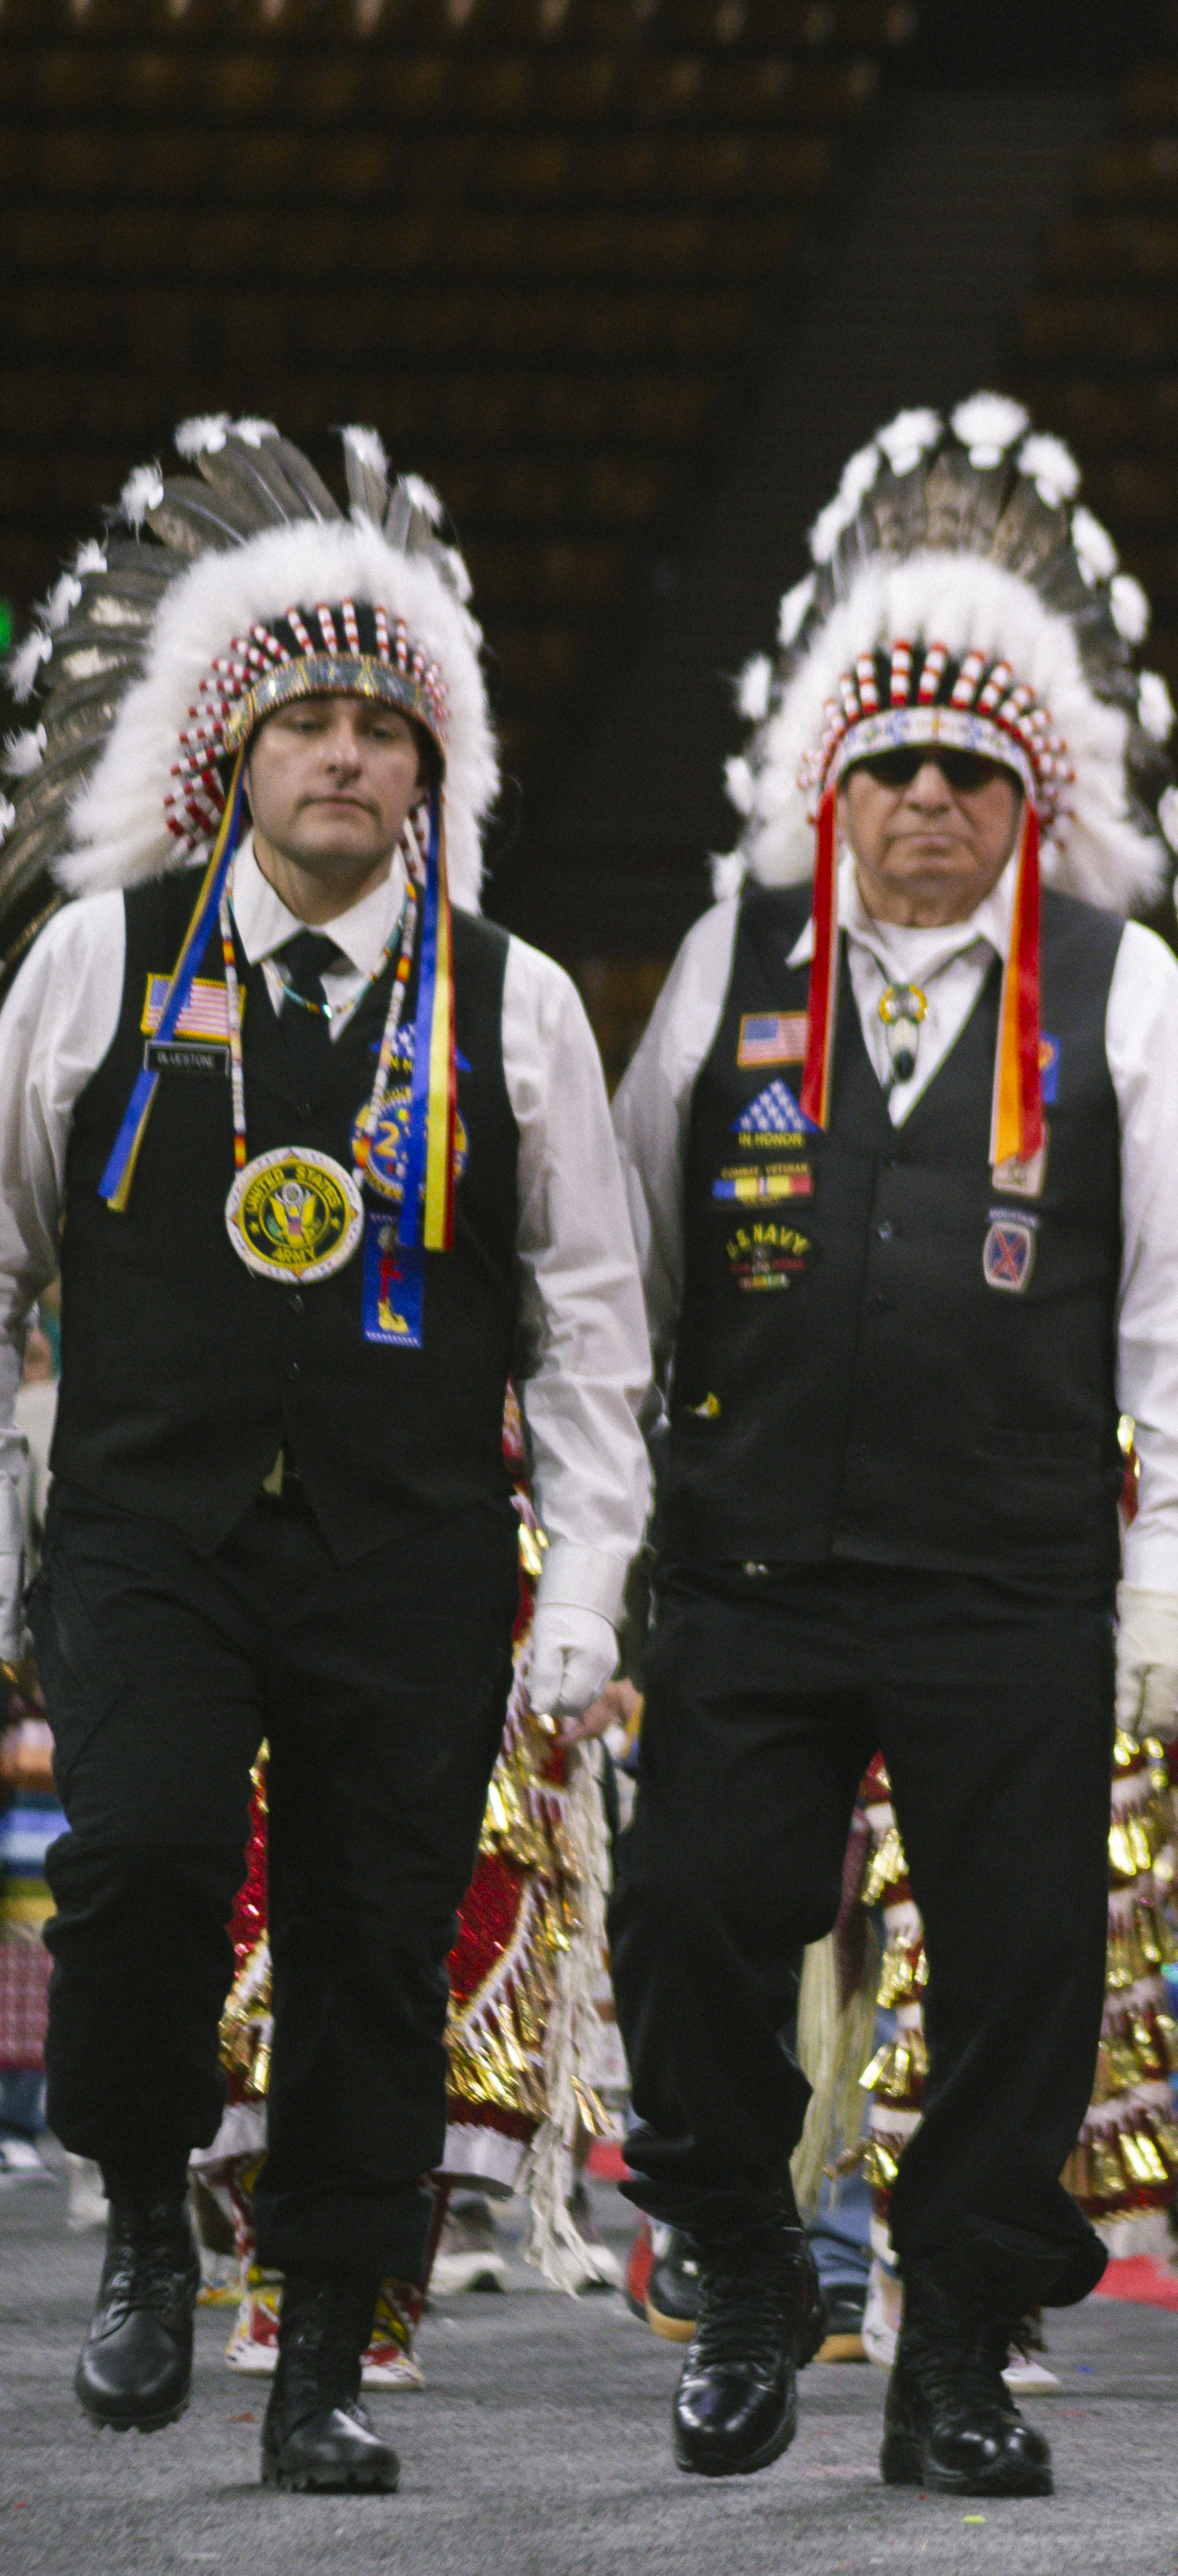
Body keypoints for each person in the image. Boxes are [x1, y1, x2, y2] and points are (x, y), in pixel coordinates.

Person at [607, 395, 1178, 2497]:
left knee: (1018, 1980)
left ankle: (958, 2339)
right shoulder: (730, 964)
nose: (922, 804)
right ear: (832, 790)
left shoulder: (1116, 987)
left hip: (1008, 1574)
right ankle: (728, 2241)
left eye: (967, 772)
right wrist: (601, 1551)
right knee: (693, 1914)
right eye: (886, 768)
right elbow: (624, 1267)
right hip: (747, 1565)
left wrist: (1172, 1595)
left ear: (1023, 798)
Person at [0, 417, 650, 2490]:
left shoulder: (514, 998)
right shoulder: (99, 958)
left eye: (386, 726)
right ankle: (137, 2222)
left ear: (428, 767)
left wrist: (593, 1588)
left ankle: (321, 2363)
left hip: (415, 1547)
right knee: (142, 1864)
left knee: (380, 1943)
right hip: (146, 1532)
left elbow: (590, 1324)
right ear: (236, 752)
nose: (350, 758)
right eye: (310, 723)